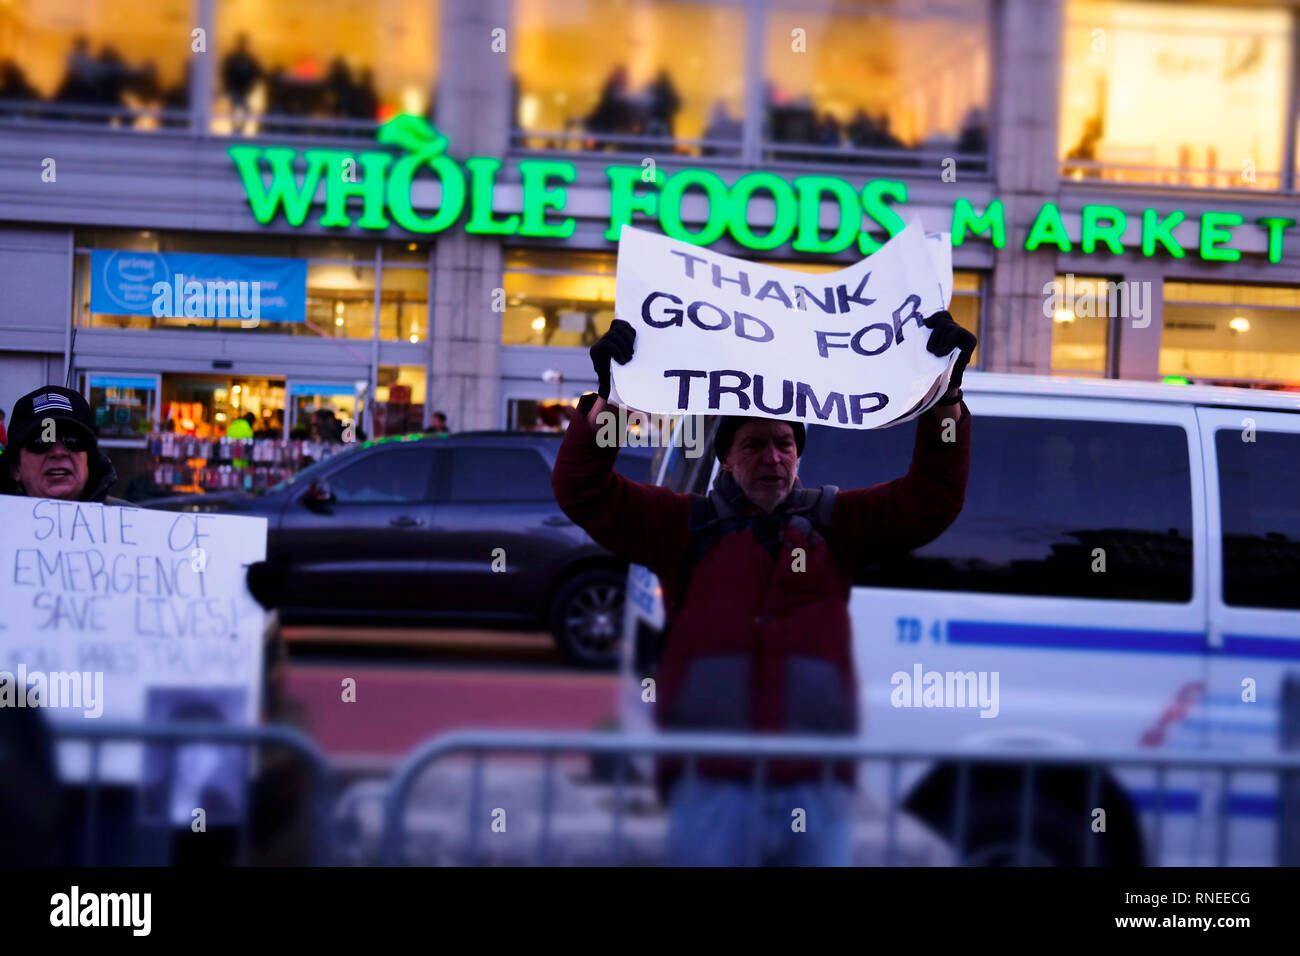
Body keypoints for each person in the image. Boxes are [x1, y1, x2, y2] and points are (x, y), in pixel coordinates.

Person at [551, 313, 976, 866]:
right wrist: (612, 402)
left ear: (799, 454)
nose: (772, 458)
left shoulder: (836, 522)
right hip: (711, 789)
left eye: (784, 443)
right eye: (753, 444)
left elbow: (932, 499)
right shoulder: (684, 526)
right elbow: (585, 492)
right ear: (725, 458)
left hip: (817, 787)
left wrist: (945, 400)